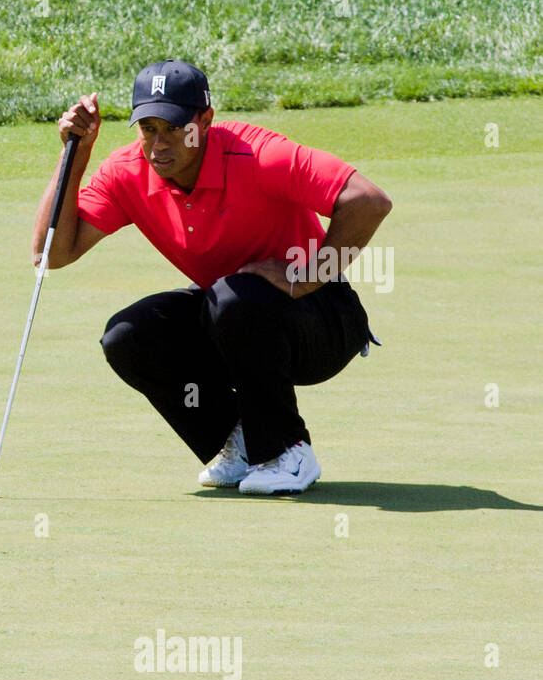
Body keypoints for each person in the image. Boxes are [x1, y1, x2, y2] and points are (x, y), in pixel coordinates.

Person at [34, 59, 392, 494]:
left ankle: (287, 452)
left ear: (205, 121)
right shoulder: (127, 171)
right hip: (232, 319)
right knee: (129, 336)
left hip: (320, 322)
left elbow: (368, 200)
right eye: (147, 128)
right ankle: (236, 442)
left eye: (172, 128)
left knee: (234, 299)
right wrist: (76, 154)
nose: (158, 144)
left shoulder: (257, 154)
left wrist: (307, 275)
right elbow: (50, 252)